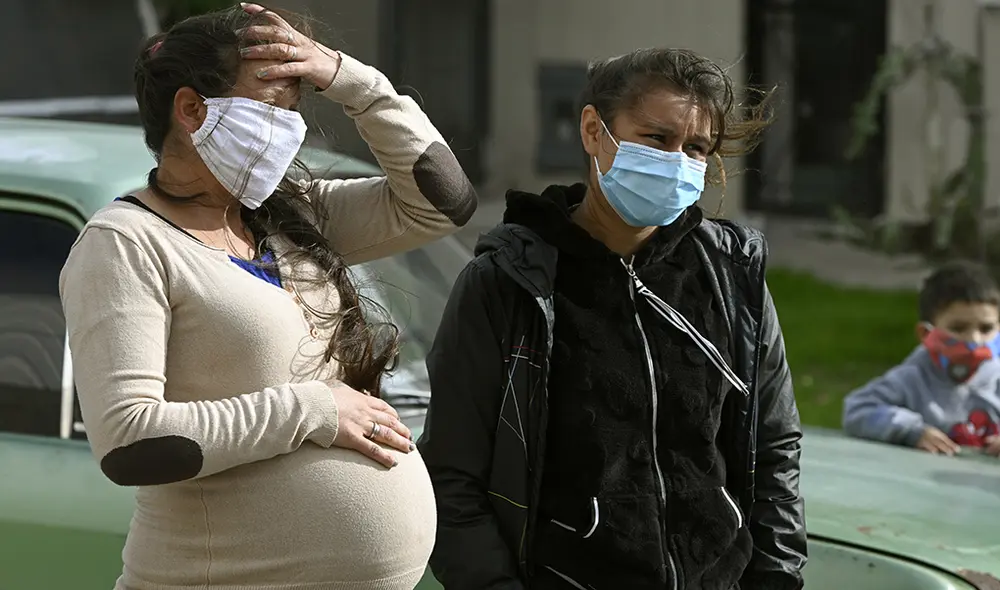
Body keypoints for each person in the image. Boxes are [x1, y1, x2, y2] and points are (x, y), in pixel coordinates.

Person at [59, 4, 476, 589]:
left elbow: (443, 201)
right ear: (191, 110)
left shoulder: (291, 215)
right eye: (272, 106)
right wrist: (312, 408)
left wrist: (353, 82)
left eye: (297, 107)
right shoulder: (124, 243)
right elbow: (130, 443)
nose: (289, 126)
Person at [419, 48, 806, 590]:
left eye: (695, 148)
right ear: (593, 130)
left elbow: (774, 447)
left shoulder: (730, 274)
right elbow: (452, 475)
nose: (676, 162)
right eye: (656, 138)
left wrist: (777, 580)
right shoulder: (511, 282)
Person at [843, 261, 1000, 457]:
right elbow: (856, 410)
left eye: (986, 329)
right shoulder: (912, 378)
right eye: (958, 328)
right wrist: (912, 430)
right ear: (927, 334)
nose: (975, 340)